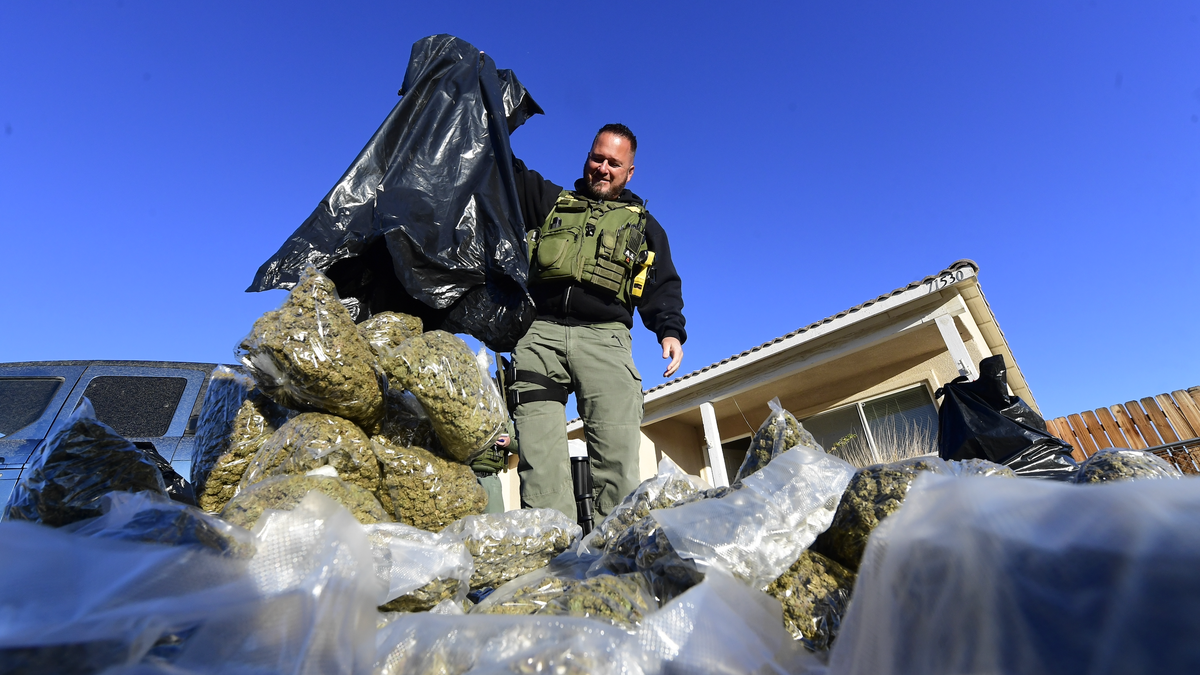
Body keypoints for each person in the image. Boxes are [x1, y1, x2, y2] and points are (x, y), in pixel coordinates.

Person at [507, 123, 686, 519]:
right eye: (597, 157)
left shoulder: (646, 227)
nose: (603, 168)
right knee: (538, 469)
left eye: (614, 163)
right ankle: (554, 563)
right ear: (587, 157)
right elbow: (504, 166)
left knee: (618, 468)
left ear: (629, 172)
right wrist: (484, 100)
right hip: (540, 339)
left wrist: (670, 330)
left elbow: (663, 284)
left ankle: (613, 569)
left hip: (605, 340)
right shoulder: (550, 200)